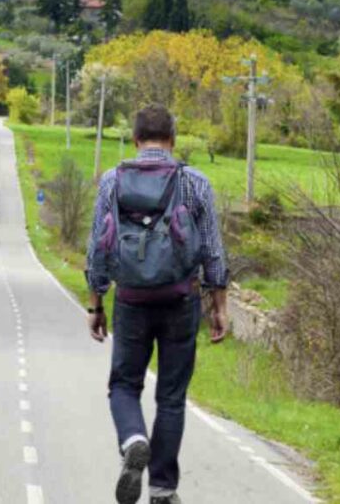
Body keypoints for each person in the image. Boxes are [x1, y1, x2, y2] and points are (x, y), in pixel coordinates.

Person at [85, 104, 229, 504]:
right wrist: (220, 305)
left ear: (135, 140)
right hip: (181, 299)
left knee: (123, 385)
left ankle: (133, 440)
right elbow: (214, 250)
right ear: (173, 139)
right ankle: (163, 489)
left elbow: (98, 246)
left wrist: (96, 302)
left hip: (131, 300)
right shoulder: (195, 183)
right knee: (170, 396)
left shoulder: (112, 181)